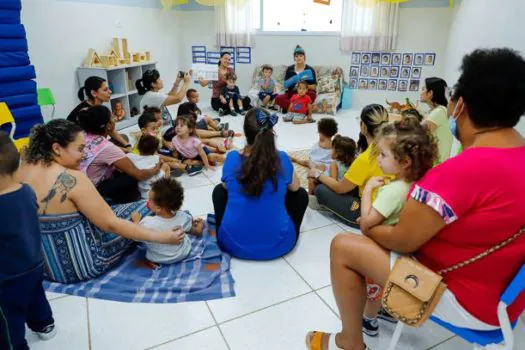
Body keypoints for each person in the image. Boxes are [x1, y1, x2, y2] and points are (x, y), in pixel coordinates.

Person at [305, 48, 525, 350]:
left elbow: (401, 240)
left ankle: (348, 341)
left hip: (464, 299)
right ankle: (375, 310)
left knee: (343, 246)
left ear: (460, 105)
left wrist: (368, 226)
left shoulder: (458, 173)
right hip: (507, 301)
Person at [19, 119, 185, 284]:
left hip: (48, 267)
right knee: (145, 205)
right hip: (84, 266)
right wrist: (163, 237)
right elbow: (111, 224)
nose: (84, 155)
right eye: (80, 149)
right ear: (56, 148)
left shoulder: (22, 170)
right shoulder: (72, 179)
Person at [358, 117, 438, 337]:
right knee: (384, 287)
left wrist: (367, 190)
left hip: (383, 249)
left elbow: (366, 222)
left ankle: (369, 320)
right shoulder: (417, 183)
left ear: (405, 162)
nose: (379, 160)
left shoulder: (392, 192)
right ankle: (388, 310)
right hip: (404, 252)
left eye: (383, 155)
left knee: (372, 287)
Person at [212, 108, 309, 260]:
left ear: (245, 133)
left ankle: (234, 227)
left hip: (232, 244)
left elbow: (225, 188)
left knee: (219, 191)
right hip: (280, 245)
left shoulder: (232, 159)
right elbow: (295, 188)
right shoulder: (282, 159)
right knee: (301, 195)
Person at [0, 133, 56, 350]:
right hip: (34, 261)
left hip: (6, 276)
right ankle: (45, 325)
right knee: (35, 296)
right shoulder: (26, 191)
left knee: (8, 316)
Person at [308, 104, 391, 227]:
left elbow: (340, 187)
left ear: (363, 126)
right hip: (390, 207)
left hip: (368, 213)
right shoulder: (394, 147)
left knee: (321, 189)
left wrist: (317, 174)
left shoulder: (367, 157)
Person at [77, 106, 161, 203]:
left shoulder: (83, 135)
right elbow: (139, 175)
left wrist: (126, 148)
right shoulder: (107, 148)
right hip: (91, 192)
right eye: (112, 117)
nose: (115, 119)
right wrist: (154, 170)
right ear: (108, 125)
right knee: (131, 179)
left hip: (78, 183)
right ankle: (129, 201)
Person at [133, 178, 204, 264]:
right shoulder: (182, 216)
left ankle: (152, 262)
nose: (147, 201)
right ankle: (199, 225)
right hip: (183, 253)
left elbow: (136, 237)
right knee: (187, 230)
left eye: (150, 200)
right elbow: (194, 231)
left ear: (158, 208)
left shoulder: (147, 222)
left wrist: (136, 221)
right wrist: (200, 224)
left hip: (159, 258)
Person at [67, 76, 130, 152]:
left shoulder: (99, 109)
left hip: (94, 142)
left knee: (124, 138)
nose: (110, 91)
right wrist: (126, 150)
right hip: (81, 149)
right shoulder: (87, 113)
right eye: (105, 90)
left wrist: (127, 145)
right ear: (94, 93)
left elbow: (110, 131)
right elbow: (97, 144)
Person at [289, 118, 338, 193]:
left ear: (320, 132)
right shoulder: (335, 146)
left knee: (310, 167)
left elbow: (310, 161)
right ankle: (296, 160)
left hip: (318, 171)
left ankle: (311, 194)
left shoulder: (318, 146)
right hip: (330, 172)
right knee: (310, 164)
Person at [275, 46, 317, 113]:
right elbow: (286, 85)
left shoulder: (309, 69)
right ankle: (301, 109)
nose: (299, 58)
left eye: (301, 56)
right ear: (294, 58)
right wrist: (293, 80)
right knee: (278, 99)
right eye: (296, 56)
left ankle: (290, 108)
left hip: (305, 93)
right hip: (293, 93)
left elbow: (314, 86)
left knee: (312, 95)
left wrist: (302, 87)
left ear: (304, 57)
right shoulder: (290, 69)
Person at [421, 77, 453, 163]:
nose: (420, 92)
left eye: (423, 89)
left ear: (430, 93)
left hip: (435, 164)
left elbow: (418, 133)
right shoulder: (438, 111)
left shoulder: (439, 112)